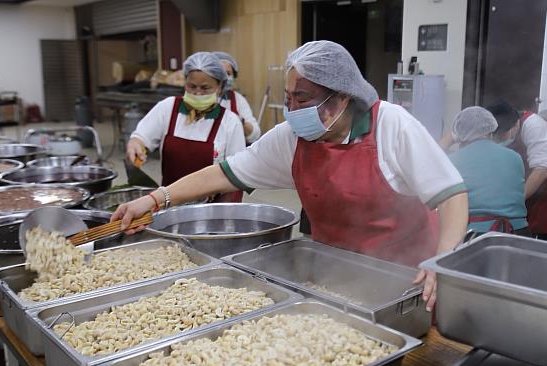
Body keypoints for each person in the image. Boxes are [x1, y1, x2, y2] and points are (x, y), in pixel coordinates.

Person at [114, 41, 469, 309]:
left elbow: (451, 194)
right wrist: (154, 198)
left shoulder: (392, 125)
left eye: (303, 98)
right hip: (335, 276)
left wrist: (440, 258)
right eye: (289, 98)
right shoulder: (292, 138)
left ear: (342, 97)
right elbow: (224, 174)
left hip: (406, 280)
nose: (292, 109)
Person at [126, 52, 246, 202]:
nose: (197, 93)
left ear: (220, 88)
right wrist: (136, 143)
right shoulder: (168, 108)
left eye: (205, 88)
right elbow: (141, 137)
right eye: (192, 86)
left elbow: (237, 173)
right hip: (169, 205)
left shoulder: (230, 122)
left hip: (211, 210)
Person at [487, 100, 547, 242]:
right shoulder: (494, 128)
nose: (502, 139)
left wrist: (516, 199)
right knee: (527, 217)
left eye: (504, 134)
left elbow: (542, 170)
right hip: (535, 169)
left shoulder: (533, 125)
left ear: (515, 124)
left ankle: (544, 257)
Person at [448, 107, 529, 235]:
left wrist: (450, 139)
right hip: (518, 233)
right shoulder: (514, 157)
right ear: (491, 131)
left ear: (459, 136)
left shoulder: (452, 161)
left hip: (475, 235)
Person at [214, 51, 262, 144]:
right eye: (221, 73)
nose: (225, 77)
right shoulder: (201, 99)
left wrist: (241, 122)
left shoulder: (237, 99)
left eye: (228, 73)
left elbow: (255, 134)